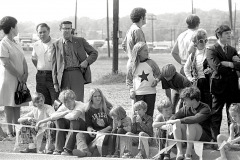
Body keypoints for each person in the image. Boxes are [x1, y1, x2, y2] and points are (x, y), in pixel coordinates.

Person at [207, 25, 240, 142]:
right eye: (226, 33)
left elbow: (239, 65)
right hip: (218, 88)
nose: (229, 35)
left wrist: (230, 64)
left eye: (229, 33)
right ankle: (215, 140)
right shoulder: (211, 50)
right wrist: (232, 67)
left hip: (233, 87)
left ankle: (235, 139)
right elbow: (217, 67)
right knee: (216, 114)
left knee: (234, 114)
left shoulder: (232, 49)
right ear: (219, 35)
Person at [52, 21, 98, 101]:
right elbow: (54, 65)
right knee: (65, 100)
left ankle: (79, 113)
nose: (66, 30)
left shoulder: (80, 41)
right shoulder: (56, 44)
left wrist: (86, 62)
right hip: (63, 76)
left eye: (68, 28)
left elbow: (94, 53)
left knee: (78, 100)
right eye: (64, 28)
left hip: (77, 73)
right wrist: (55, 83)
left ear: (71, 29)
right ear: (60, 29)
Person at [0, 16, 28, 138]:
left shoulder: (16, 42)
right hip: (10, 77)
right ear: (12, 28)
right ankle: (10, 131)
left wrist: (25, 74)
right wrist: (18, 75)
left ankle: (18, 129)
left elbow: (23, 59)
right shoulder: (3, 43)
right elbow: (5, 63)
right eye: (16, 26)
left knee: (18, 103)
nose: (18, 28)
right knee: (9, 104)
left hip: (21, 78)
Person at [167, 86, 212, 160]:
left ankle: (188, 154)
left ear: (193, 100)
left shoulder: (205, 108)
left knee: (191, 124)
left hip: (203, 137)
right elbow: (175, 116)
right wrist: (170, 122)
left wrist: (179, 120)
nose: (183, 103)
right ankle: (180, 152)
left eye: (185, 100)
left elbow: (195, 119)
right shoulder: (186, 107)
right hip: (190, 136)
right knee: (176, 124)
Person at [72, 88, 113, 157]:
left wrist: (102, 131)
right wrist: (90, 131)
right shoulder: (88, 109)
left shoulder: (107, 107)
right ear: (91, 98)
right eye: (95, 96)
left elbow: (112, 124)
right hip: (94, 133)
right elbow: (89, 125)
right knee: (79, 134)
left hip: (106, 133)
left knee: (101, 138)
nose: (98, 98)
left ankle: (88, 152)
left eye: (99, 96)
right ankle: (84, 151)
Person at [126, 42, 161, 117]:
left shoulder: (151, 63)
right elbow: (129, 79)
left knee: (149, 114)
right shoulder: (132, 65)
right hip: (138, 93)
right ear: (138, 52)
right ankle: (138, 128)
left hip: (151, 92)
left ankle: (149, 128)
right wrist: (131, 90)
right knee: (139, 115)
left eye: (147, 50)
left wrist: (156, 80)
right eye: (145, 50)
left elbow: (159, 74)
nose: (147, 52)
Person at [51, 89, 86, 155]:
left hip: (82, 127)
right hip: (70, 126)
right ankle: (59, 149)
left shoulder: (80, 104)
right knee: (59, 120)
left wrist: (63, 115)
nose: (67, 104)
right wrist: (66, 113)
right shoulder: (63, 106)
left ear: (73, 99)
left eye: (69, 101)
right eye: (65, 102)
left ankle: (68, 150)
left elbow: (74, 116)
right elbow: (53, 116)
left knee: (74, 121)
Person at [184, 29, 212, 108]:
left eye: (205, 40)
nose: (203, 43)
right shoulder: (193, 55)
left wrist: (211, 70)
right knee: (198, 103)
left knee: (209, 104)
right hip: (197, 83)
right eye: (200, 41)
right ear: (195, 42)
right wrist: (190, 78)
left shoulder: (210, 52)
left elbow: (216, 66)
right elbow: (186, 68)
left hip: (208, 82)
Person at [32, 23, 58, 105]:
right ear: (37, 33)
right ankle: (44, 118)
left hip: (53, 76)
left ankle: (56, 118)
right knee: (42, 101)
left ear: (49, 31)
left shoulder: (57, 43)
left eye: (44, 32)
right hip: (40, 76)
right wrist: (40, 68)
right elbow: (33, 59)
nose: (42, 34)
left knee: (56, 100)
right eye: (40, 32)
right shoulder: (36, 45)